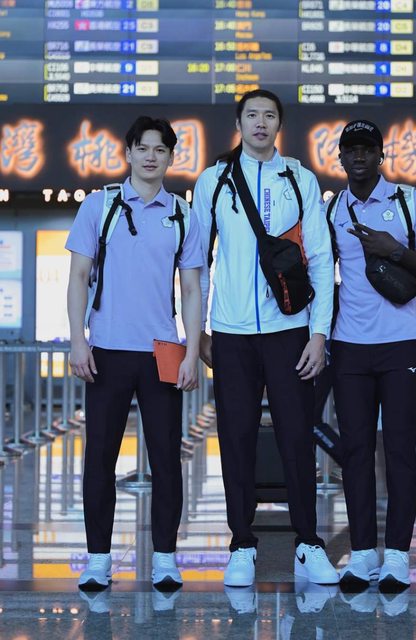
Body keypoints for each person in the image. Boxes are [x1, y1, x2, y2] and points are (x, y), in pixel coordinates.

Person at [193, 89, 338, 587]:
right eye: (252, 115)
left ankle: (308, 543)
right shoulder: (214, 180)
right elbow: (196, 262)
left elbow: (321, 260)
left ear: (279, 124)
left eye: (269, 115)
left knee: (297, 436)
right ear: (238, 123)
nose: (260, 122)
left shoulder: (299, 178)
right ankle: (241, 543)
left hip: (289, 331)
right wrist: (198, 333)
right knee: (235, 438)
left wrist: (318, 334)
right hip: (231, 334)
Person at [66, 116, 202, 591]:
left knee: (166, 459)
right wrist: (78, 339)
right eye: (143, 148)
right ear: (128, 153)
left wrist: (191, 351)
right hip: (106, 349)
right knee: (100, 459)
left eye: (160, 150)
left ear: (171, 157)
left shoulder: (182, 214)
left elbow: (191, 288)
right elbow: (78, 276)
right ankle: (98, 560)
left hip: (162, 351)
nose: (150, 157)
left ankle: (165, 558)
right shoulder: (99, 206)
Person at [330, 120, 416, 590]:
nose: (359, 156)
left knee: (400, 451)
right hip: (348, 346)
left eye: (368, 148)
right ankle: (362, 554)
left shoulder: (408, 201)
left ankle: (397, 554)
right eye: (351, 149)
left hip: (400, 343)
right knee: (355, 452)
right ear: (340, 158)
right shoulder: (331, 210)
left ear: (381, 155)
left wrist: (395, 250)